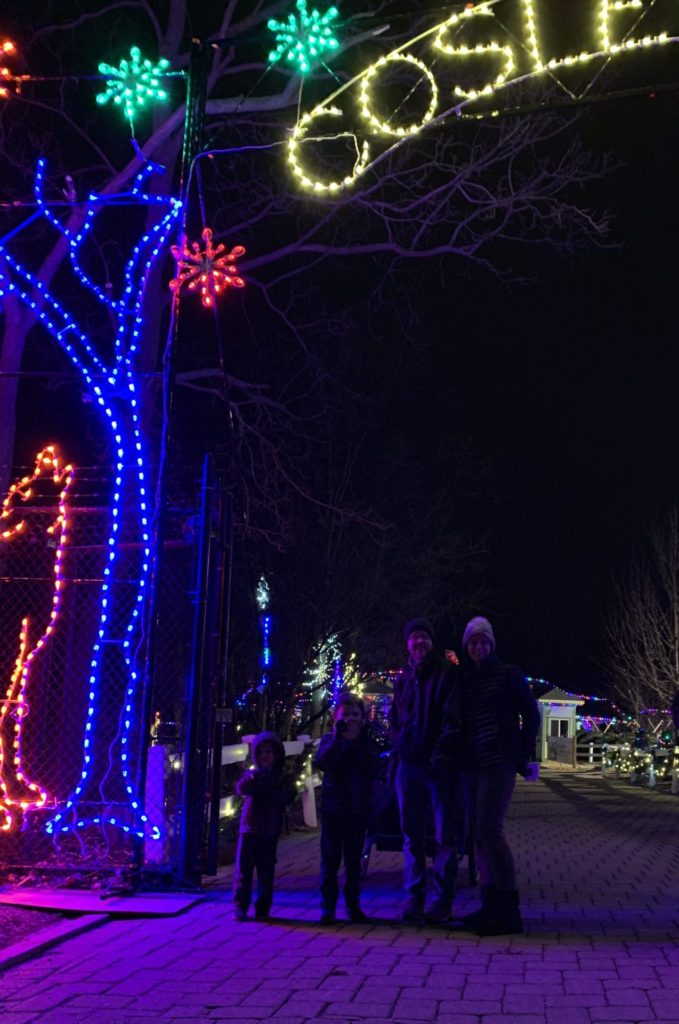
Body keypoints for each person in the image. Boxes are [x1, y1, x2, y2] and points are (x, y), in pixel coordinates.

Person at [456, 615, 540, 936]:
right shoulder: (465, 677)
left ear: (491, 645)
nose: (478, 646)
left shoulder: (508, 674)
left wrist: (521, 754)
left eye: (483, 641)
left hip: (498, 762)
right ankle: (489, 905)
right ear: (467, 646)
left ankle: (508, 909)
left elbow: (531, 713)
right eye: (473, 642)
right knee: (478, 833)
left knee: (491, 829)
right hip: (470, 763)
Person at [389, 617, 460, 923]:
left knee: (445, 835)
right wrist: (399, 749)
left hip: (438, 767)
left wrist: (439, 753)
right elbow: (395, 719)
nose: (419, 642)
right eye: (414, 637)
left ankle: (442, 899)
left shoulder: (447, 673)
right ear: (407, 643)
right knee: (411, 834)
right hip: (409, 765)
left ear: (432, 642)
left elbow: (452, 717)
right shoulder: (403, 678)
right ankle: (414, 897)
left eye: (424, 637)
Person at [314, 691, 380, 925]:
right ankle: (327, 907)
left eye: (355, 715)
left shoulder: (367, 742)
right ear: (337, 717)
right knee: (330, 859)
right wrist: (339, 740)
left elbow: (373, 767)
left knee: (353, 860)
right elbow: (321, 763)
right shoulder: (330, 741)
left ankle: (353, 905)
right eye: (346, 715)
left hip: (357, 808)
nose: (351, 719)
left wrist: (357, 744)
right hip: (333, 808)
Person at [233, 731, 294, 922]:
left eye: (269, 752)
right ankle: (241, 905)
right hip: (250, 827)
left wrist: (278, 795)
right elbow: (240, 788)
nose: (265, 756)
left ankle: (262, 907)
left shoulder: (280, 778)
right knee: (244, 869)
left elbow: (289, 794)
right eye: (261, 752)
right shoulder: (252, 775)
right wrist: (252, 778)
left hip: (269, 829)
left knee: (266, 871)